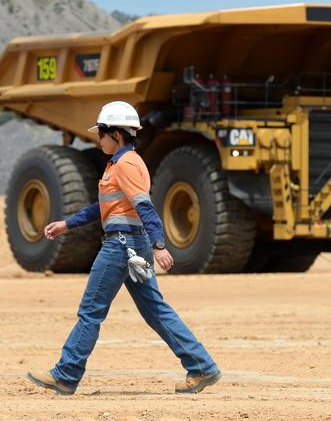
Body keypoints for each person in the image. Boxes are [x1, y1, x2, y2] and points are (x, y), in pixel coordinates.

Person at [26, 101, 221, 396]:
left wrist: (159, 246)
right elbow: (104, 207)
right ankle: (202, 366)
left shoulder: (126, 164)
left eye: (101, 133)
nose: (98, 139)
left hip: (121, 246)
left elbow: (145, 205)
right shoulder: (120, 163)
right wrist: (67, 224)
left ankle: (66, 374)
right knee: (155, 310)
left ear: (116, 134)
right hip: (132, 244)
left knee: (91, 310)